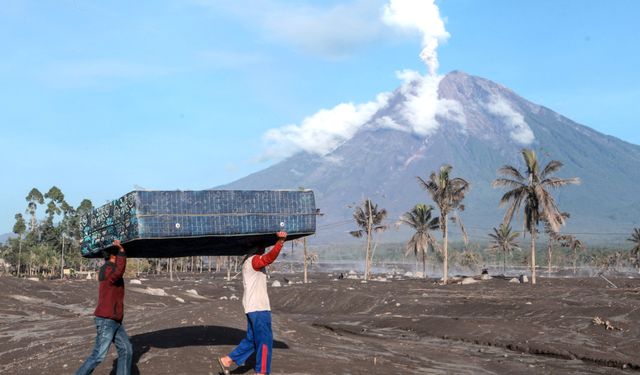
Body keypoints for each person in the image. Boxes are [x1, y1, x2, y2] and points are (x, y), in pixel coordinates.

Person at [218, 231, 287, 375]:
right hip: (259, 308)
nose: (263, 249)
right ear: (256, 248)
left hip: (251, 307)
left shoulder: (247, 262)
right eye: (262, 247)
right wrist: (280, 242)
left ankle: (228, 360)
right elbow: (269, 258)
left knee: (252, 339)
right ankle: (261, 371)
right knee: (265, 341)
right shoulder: (254, 260)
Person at [76, 239, 132, 375]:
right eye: (117, 253)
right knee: (98, 355)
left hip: (114, 320)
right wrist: (122, 251)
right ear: (113, 255)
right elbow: (118, 272)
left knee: (126, 349)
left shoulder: (107, 268)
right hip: (107, 320)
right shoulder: (108, 269)